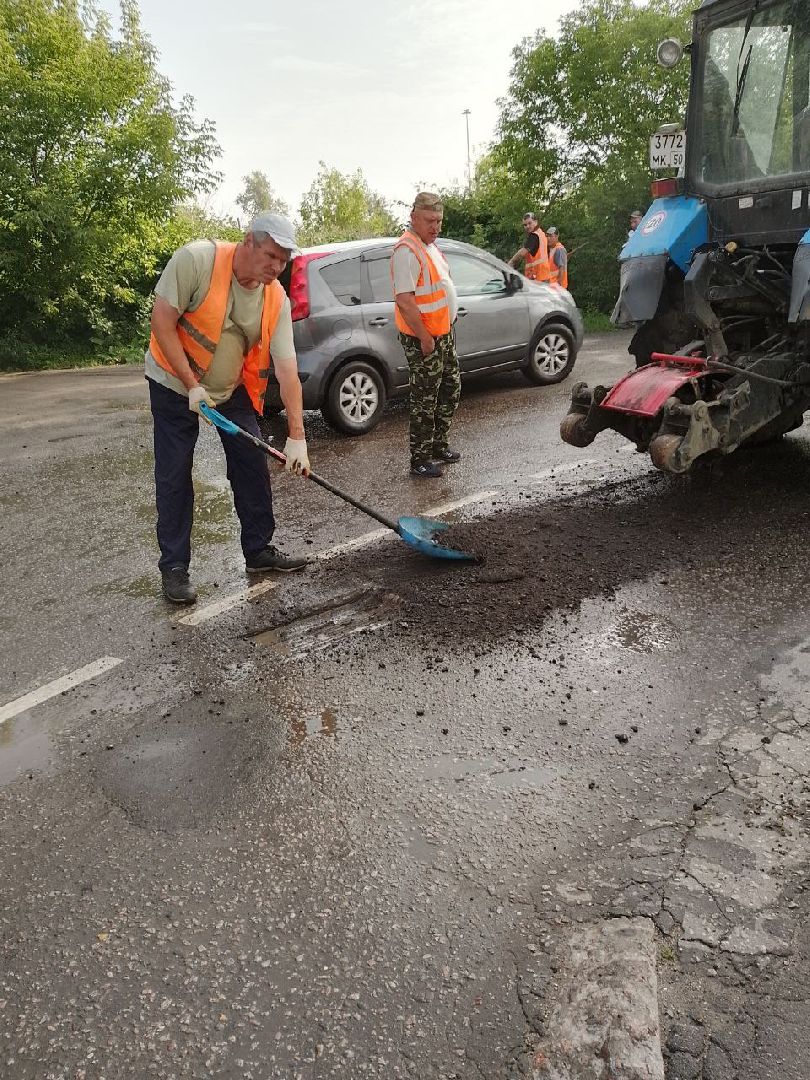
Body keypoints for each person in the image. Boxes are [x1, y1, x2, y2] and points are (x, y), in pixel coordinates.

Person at [146, 213, 310, 605]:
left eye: (284, 261)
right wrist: (191, 385)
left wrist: (298, 437)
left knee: (251, 462)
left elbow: (287, 370)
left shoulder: (275, 298)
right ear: (248, 241)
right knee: (174, 473)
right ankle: (174, 568)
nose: (276, 267)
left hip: (229, 388)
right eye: (271, 255)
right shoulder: (197, 261)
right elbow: (162, 322)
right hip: (173, 382)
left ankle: (258, 551)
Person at [391, 192, 461, 479]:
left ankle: (437, 446)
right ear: (414, 218)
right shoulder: (407, 251)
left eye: (439, 221)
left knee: (449, 388)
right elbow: (405, 301)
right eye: (430, 220)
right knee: (424, 399)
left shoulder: (429, 246)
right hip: (424, 339)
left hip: (442, 334)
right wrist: (424, 337)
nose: (436, 227)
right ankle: (420, 458)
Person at [507, 212, 551, 282]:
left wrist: (511, 262)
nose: (527, 226)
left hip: (537, 276)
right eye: (525, 225)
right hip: (544, 274)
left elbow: (522, 252)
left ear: (536, 222)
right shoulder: (542, 234)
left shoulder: (534, 236)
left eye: (529, 223)